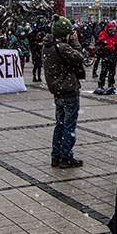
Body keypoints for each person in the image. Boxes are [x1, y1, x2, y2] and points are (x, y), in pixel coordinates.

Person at [43, 16, 84, 168]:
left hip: (57, 91)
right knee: (69, 126)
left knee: (59, 125)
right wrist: (74, 42)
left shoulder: (47, 46)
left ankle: (55, 156)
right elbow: (79, 57)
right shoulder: (62, 47)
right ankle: (66, 156)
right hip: (68, 90)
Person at [95, 22, 117, 94]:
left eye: (113, 30)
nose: (112, 31)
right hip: (106, 54)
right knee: (104, 71)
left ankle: (111, 84)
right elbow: (103, 42)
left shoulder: (115, 35)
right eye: (110, 30)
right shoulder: (103, 34)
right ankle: (101, 85)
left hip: (113, 55)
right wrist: (112, 45)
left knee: (112, 71)